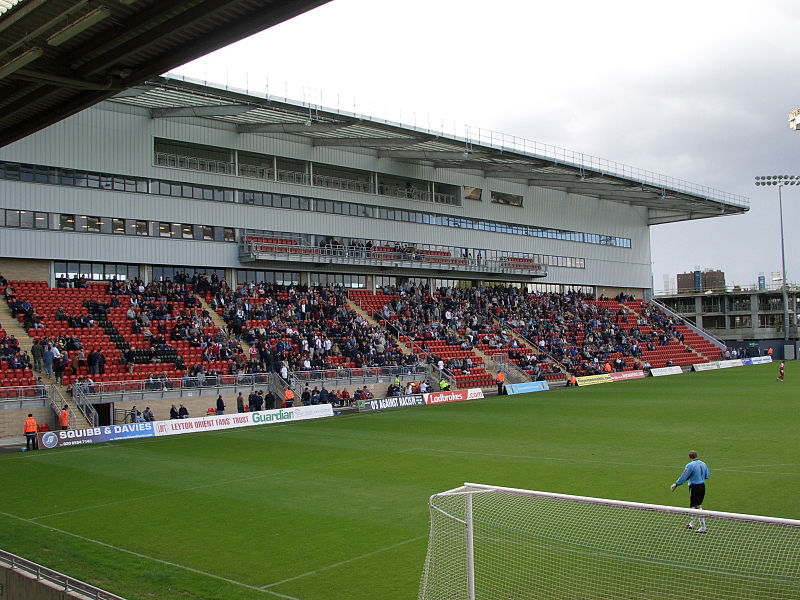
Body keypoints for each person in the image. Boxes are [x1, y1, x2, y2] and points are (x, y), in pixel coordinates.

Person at [670, 450, 710, 533]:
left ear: (689, 457)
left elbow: (684, 476)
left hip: (695, 487)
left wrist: (676, 484)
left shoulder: (690, 465)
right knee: (694, 504)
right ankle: (692, 523)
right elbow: (707, 476)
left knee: (697, 506)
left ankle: (703, 527)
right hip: (702, 486)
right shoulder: (703, 464)